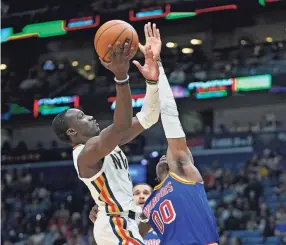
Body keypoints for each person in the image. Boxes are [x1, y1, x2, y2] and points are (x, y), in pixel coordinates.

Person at [52, 41, 160, 245]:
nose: (91, 117)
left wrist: (153, 80)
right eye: (82, 116)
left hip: (129, 220)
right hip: (115, 224)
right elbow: (121, 125)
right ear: (72, 131)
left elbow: (150, 116)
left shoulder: (108, 144)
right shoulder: (85, 154)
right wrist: (121, 76)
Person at [139, 23, 219, 245]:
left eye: (167, 155)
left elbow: (170, 118)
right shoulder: (148, 205)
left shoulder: (183, 173)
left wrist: (157, 68)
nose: (164, 157)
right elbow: (132, 230)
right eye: (159, 159)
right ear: (154, 176)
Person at [90, 183, 160, 245]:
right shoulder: (119, 225)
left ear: (153, 198)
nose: (141, 196)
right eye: (137, 193)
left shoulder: (164, 224)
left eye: (146, 193)